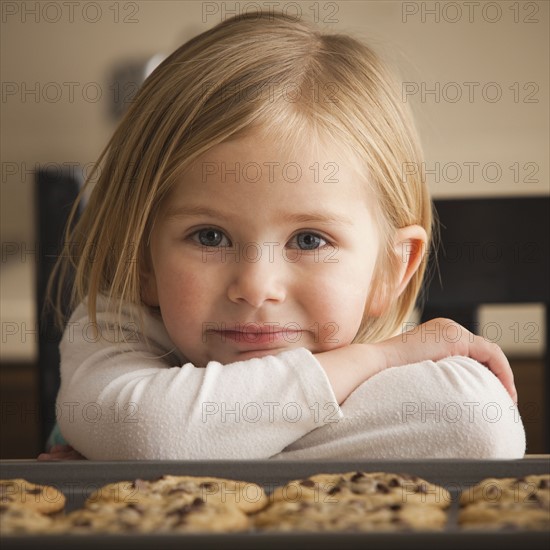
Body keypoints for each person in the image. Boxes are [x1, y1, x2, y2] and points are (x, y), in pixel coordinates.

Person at [38, 11, 525, 461]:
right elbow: (146, 432)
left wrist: (192, 439)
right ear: (141, 259)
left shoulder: (392, 342)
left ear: (389, 271)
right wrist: (369, 361)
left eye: (310, 240)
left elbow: (475, 424)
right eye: (209, 236)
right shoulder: (111, 328)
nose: (255, 285)